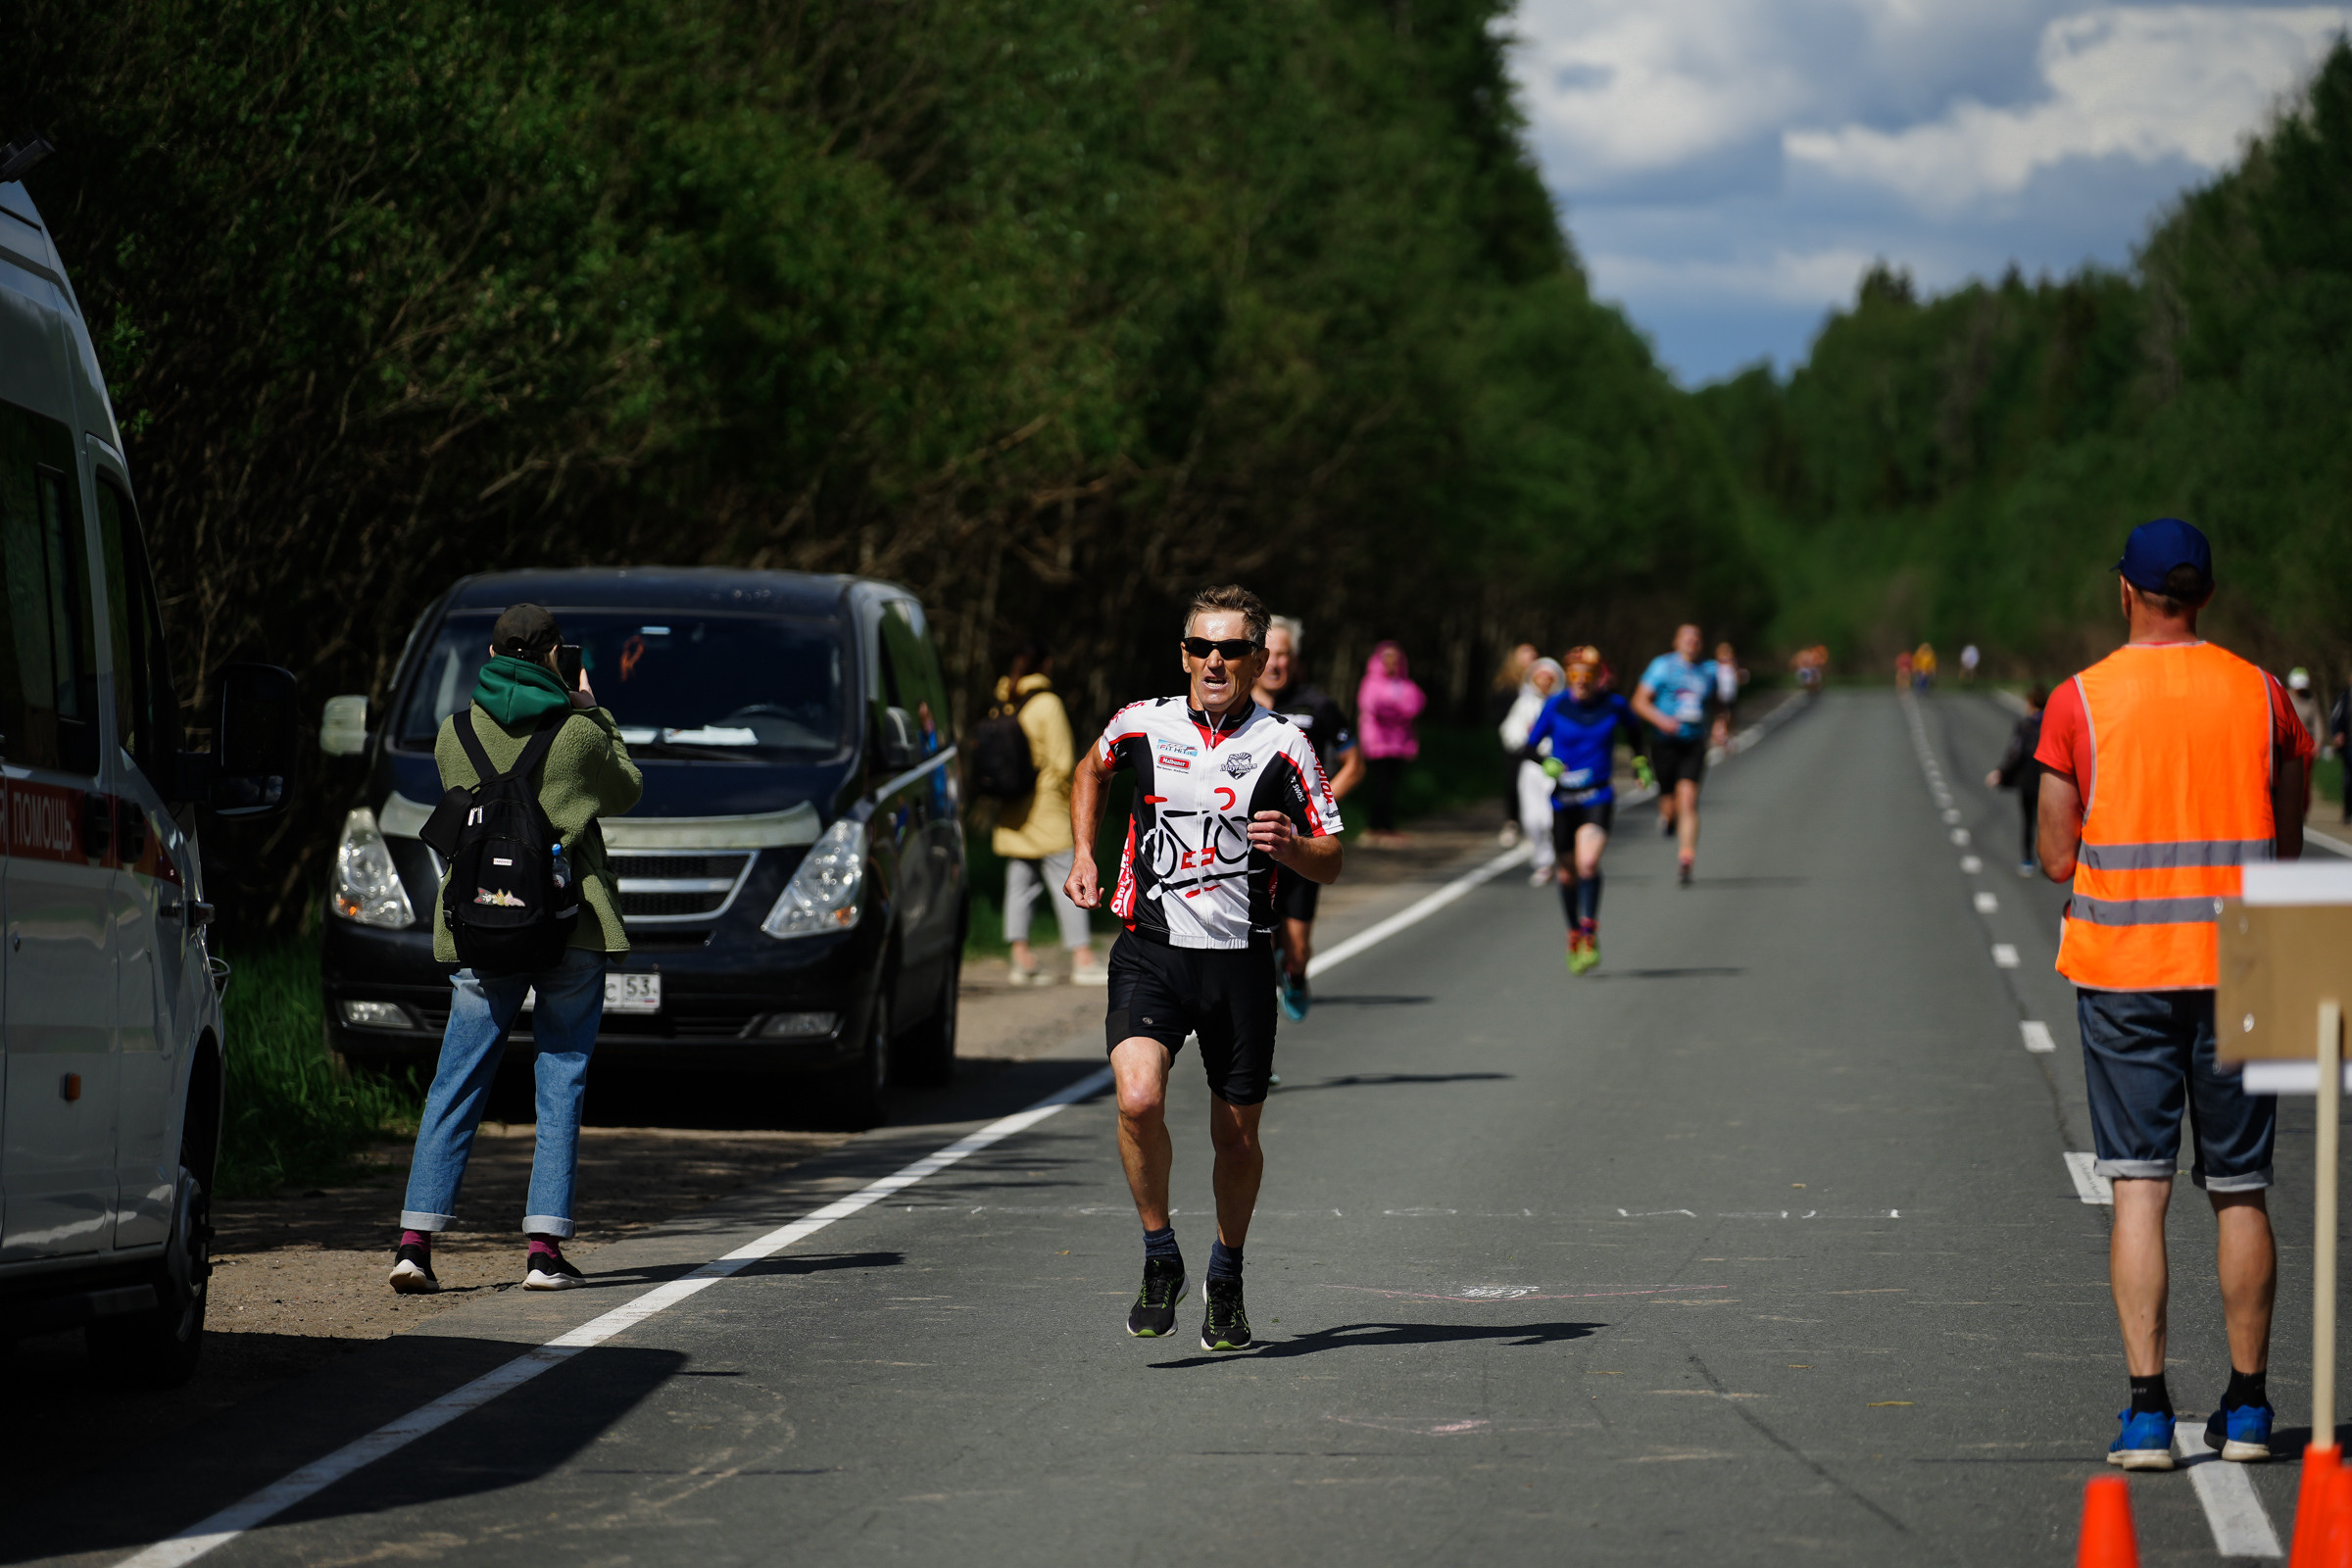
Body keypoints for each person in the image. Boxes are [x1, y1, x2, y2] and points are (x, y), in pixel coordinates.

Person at [2034, 517, 2312, 1471]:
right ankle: (2249, 1408)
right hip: (2249, 959)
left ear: (2126, 591)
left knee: (2139, 1189)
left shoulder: (2079, 699)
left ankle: (2149, 1414)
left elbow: (2056, 854)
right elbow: (2287, 836)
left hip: (2124, 970)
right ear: (2207, 595)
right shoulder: (2265, 694)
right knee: (2241, 1188)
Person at [1066, 584, 1343, 1351]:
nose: (1214, 661)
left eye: (1231, 649)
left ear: (1257, 659)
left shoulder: (1285, 744)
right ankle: (1161, 1256)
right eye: (1200, 646)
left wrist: (1294, 848)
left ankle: (1226, 1275)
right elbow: (1090, 771)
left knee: (1237, 1140)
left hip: (1239, 965)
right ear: (1183, 654)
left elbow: (1332, 856)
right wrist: (1084, 853)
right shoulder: (1140, 723)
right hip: (1150, 951)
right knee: (1138, 1101)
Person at [389, 604, 643, 1297]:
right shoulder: (579, 734)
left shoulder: (455, 732)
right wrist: (594, 711)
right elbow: (627, 789)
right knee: (560, 1078)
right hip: (568, 925)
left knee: (456, 1080)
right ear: (556, 655)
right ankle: (542, 1252)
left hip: (482, 926)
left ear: (494, 655)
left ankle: (414, 1244)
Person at [1252, 615, 1364, 1020]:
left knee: (1298, 952)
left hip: (1301, 844)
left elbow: (1354, 764)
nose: (1276, 663)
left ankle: (1295, 974)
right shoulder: (1234, 706)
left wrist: (1318, 808)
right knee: (1257, 950)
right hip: (1252, 844)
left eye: (1284, 655)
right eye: (1269, 654)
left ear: (1295, 659)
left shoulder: (1317, 706)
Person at [1522, 647, 1648, 973]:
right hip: (1563, 799)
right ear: (1568, 676)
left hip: (1597, 795)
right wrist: (1546, 762)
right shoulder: (1556, 705)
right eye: (1575, 674)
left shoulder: (1613, 705)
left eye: (1588, 674)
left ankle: (1590, 930)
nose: (1581, 680)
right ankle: (1573, 932)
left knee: (1588, 863)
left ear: (1598, 676)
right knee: (1567, 873)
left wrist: (1640, 763)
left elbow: (1635, 730)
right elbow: (1529, 747)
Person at [990, 639, 1102, 986]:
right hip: (1046, 809)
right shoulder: (1047, 704)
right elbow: (1064, 761)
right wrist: (1069, 797)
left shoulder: (1004, 702)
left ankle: (1020, 958)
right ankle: (1082, 958)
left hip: (1013, 810)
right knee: (1067, 877)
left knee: (1020, 881)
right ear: (1046, 665)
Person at [1632, 624, 1720, 887]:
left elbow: (1718, 702)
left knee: (1688, 798)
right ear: (1676, 641)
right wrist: (1661, 720)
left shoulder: (1709, 670)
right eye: (1686, 637)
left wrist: (1720, 724)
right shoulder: (1662, 667)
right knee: (1669, 802)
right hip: (1664, 742)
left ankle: (1686, 858)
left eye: (1696, 638)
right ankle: (1668, 818)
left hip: (1694, 742)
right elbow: (1639, 702)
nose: (1692, 642)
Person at [1500, 657, 1566, 886]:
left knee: (1549, 819)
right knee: (1531, 819)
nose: (1545, 682)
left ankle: (1557, 858)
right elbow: (1510, 733)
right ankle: (1543, 862)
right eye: (1541, 678)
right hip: (1531, 766)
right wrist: (1524, 742)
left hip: (1556, 767)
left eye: (1550, 678)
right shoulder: (1524, 704)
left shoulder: (1563, 704)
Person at [1355, 640, 1425, 847]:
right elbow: (1372, 706)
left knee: (1391, 786)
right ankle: (1374, 827)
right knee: (1381, 785)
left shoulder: (1404, 683)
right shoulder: (1372, 682)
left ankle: (1386, 826)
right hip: (1378, 743)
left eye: (1395, 659)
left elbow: (1416, 703)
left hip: (1399, 743)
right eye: (1387, 658)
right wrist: (1397, 710)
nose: (1391, 663)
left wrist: (1395, 709)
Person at [1984, 684, 2048, 876]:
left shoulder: (2025, 725)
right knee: (2045, 822)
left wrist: (2001, 772)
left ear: (2031, 703)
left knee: (2028, 821)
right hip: (2048, 779)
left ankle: (2028, 860)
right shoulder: (2052, 724)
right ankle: (2046, 858)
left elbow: (2016, 752)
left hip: (2028, 778)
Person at [1489, 644, 1537, 846]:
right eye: (1526, 656)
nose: (1530, 660)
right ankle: (1512, 822)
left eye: (1533, 656)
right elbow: (1497, 716)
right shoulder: (1506, 686)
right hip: (1515, 744)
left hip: (1537, 744)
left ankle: (1534, 823)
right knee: (1513, 782)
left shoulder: (1541, 684)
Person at [1710, 642, 1743, 745]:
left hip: (1731, 695)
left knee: (1731, 716)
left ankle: (1728, 734)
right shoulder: (1716, 666)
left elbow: (1737, 679)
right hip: (1720, 696)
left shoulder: (1732, 666)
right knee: (1722, 717)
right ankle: (1718, 735)